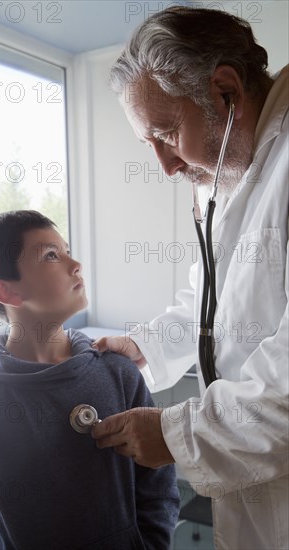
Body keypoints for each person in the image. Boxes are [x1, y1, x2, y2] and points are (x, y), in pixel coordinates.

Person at [91, 6, 289, 550]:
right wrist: (144, 345)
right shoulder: (224, 177)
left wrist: (175, 434)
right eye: (148, 144)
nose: (166, 166)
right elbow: (212, 309)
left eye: (168, 132)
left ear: (225, 90)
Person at [0, 210, 180, 549]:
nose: (75, 265)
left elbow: (157, 485)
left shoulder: (117, 372)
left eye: (68, 251)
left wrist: (148, 544)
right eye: (51, 256)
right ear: (7, 292)